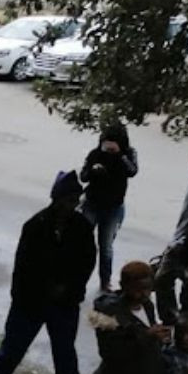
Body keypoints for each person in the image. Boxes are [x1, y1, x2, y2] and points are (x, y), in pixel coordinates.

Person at [0, 171, 95, 374]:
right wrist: (25, 297)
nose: (72, 204)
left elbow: (86, 264)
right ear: (56, 199)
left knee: (65, 354)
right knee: (13, 346)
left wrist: (69, 289)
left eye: (75, 200)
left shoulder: (82, 228)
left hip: (64, 303)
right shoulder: (36, 225)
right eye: (68, 199)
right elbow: (23, 267)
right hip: (31, 301)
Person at [80, 123, 139, 292]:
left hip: (113, 207)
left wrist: (120, 155)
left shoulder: (128, 154)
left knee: (106, 247)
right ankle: (79, 277)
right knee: (83, 243)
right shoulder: (96, 153)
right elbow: (83, 176)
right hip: (92, 203)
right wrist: (93, 170)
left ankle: (105, 282)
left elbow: (132, 171)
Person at [154, 143, 188, 326]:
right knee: (163, 279)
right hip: (179, 240)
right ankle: (172, 320)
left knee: (185, 283)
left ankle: (183, 323)